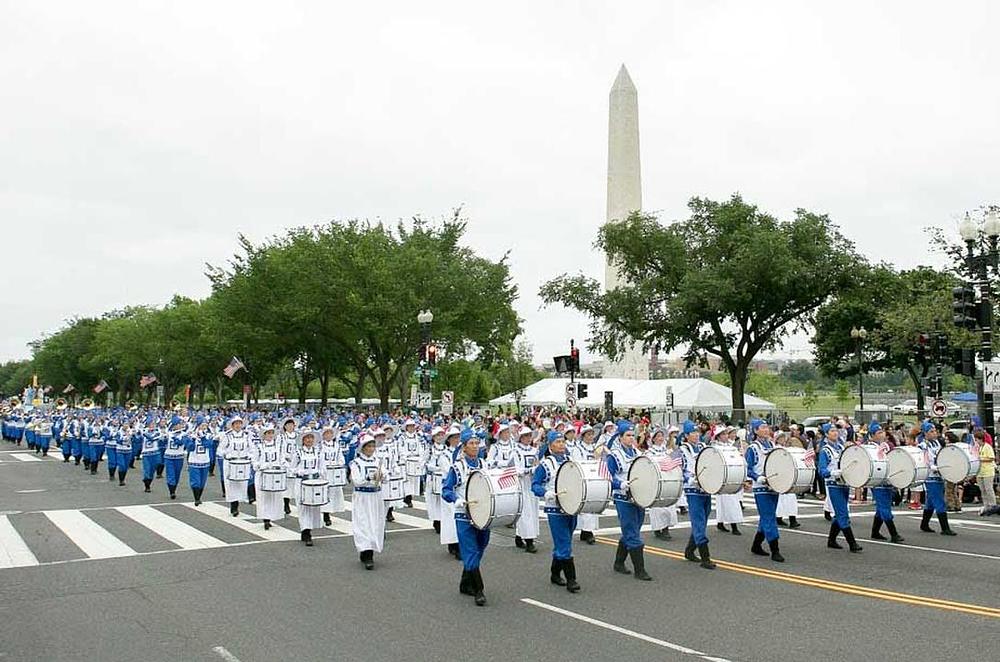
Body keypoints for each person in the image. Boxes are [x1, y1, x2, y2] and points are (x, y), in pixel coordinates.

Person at [442, 428, 490, 606]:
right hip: (464, 514)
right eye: (471, 443)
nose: (475, 446)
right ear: (463, 447)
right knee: (470, 550)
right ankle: (479, 590)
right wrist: (457, 499)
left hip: (483, 514)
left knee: (480, 546)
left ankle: (465, 582)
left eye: (477, 443)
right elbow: (446, 490)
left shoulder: (485, 465)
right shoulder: (457, 467)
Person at [532, 430, 580, 593]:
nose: (561, 445)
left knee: (563, 542)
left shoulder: (570, 461)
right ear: (550, 446)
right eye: (558, 442)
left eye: (563, 442)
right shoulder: (546, 464)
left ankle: (554, 573)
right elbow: (535, 484)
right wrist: (546, 493)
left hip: (571, 507)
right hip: (555, 508)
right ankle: (571, 580)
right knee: (564, 544)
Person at [606, 421, 653, 580]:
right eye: (628, 435)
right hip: (623, 497)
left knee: (633, 530)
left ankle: (619, 563)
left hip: (638, 496)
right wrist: (620, 484)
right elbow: (606, 476)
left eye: (633, 435)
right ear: (620, 437)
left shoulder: (637, 452)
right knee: (632, 532)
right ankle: (640, 570)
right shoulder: (614, 455)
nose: (631, 438)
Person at [817, 424, 863, 552]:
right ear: (826, 434)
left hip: (844, 483)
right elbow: (821, 470)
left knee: (839, 514)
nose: (835, 433)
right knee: (843, 514)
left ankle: (831, 540)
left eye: (836, 430)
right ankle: (852, 543)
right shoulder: (825, 450)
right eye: (831, 431)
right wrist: (832, 473)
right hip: (834, 484)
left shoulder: (841, 447)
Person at [679, 419, 717, 569]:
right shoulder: (681, 450)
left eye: (697, 432)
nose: (696, 435)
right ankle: (705, 557)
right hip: (693, 489)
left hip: (705, 487)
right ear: (686, 435)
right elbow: (678, 470)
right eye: (692, 433)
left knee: (704, 517)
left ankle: (689, 550)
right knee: (699, 520)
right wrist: (690, 479)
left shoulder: (703, 446)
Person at [349, 433, 386, 569]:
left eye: (372, 446)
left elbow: (386, 476)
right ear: (363, 448)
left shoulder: (378, 461)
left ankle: (370, 549)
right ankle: (366, 553)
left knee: (375, 523)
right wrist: (371, 477)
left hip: (375, 496)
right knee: (363, 523)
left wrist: (382, 475)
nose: (371, 449)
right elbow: (357, 481)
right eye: (368, 446)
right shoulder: (356, 463)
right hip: (362, 497)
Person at [917, 421, 956, 536]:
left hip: (939, 474)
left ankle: (924, 524)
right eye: (931, 431)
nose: (935, 433)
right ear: (925, 433)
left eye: (935, 431)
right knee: (939, 501)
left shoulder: (937, 443)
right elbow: (925, 462)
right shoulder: (923, 446)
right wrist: (936, 468)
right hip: (930, 476)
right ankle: (945, 528)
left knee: (930, 502)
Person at [868, 423, 904, 543]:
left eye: (882, 432)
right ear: (872, 436)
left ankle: (875, 532)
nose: (882, 434)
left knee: (882, 508)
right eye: (878, 433)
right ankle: (894, 534)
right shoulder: (869, 448)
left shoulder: (887, 446)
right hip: (877, 482)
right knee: (885, 508)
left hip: (888, 480)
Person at [291, 430, 326, 546]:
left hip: (314, 481)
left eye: (311, 438)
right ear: (303, 440)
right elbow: (291, 468)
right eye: (307, 438)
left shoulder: (318, 452)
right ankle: (306, 532)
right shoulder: (297, 453)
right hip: (302, 482)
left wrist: (321, 474)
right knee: (303, 507)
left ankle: (308, 529)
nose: (309, 440)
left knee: (313, 506)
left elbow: (322, 466)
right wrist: (299, 472)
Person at [646, 427, 679, 540]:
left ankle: (666, 528)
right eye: (658, 436)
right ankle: (657, 528)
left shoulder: (668, 451)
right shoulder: (649, 452)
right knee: (657, 507)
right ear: (653, 439)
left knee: (668, 504)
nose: (660, 438)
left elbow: (676, 462)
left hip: (668, 480)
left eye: (661, 436)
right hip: (656, 482)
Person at [218, 415, 254, 516]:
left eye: (239, 423)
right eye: (236, 424)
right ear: (232, 425)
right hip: (230, 464)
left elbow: (253, 449)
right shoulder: (227, 436)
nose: (238, 425)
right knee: (231, 485)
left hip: (243, 463)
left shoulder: (246, 436)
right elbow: (220, 450)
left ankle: (238, 504)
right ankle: (234, 506)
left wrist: (250, 456)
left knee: (241, 485)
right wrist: (226, 455)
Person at [712, 425, 744, 536]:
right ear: (718, 437)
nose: (726, 436)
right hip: (722, 477)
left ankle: (727, 523)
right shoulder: (715, 448)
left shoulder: (732, 447)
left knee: (731, 500)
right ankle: (729, 524)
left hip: (732, 475)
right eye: (723, 434)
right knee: (723, 501)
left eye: (726, 433)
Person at [572, 424, 601, 544]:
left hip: (594, 479)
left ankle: (587, 530)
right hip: (584, 479)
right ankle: (587, 531)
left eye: (592, 434)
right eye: (588, 434)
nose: (591, 437)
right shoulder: (577, 449)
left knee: (593, 505)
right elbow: (577, 463)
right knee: (585, 505)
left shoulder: (595, 448)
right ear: (583, 436)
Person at [513, 427, 540, 553]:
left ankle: (520, 536)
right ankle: (529, 541)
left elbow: (537, 463)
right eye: (526, 436)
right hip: (522, 484)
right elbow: (516, 469)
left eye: (530, 436)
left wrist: (537, 470)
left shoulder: (535, 450)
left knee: (532, 511)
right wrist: (529, 470)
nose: (528, 438)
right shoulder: (516, 451)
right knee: (525, 511)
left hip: (532, 484)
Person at [438, 425, 463, 560]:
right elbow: (448, 470)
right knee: (450, 517)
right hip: (449, 486)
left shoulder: (462, 453)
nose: (456, 439)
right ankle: (453, 543)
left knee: (459, 515)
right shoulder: (444, 454)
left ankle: (458, 544)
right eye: (454, 437)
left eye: (458, 437)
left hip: (460, 487)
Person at [319, 426, 346, 526]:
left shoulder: (336, 446)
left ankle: (330, 511)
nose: (329, 435)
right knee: (325, 493)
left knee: (333, 493)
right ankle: (326, 514)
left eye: (330, 433)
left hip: (334, 472)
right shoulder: (320, 446)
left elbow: (341, 457)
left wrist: (338, 464)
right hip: (325, 472)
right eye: (326, 433)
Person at [185, 417, 212, 506]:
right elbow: (189, 448)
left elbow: (209, 445)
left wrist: (203, 437)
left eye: (205, 425)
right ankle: (196, 498)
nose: (204, 427)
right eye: (202, 425)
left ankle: (199, 496)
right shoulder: (191, 434)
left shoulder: (209, 434)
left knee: (202, 481)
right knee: (195, 481)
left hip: (205, 460)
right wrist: (192, 439)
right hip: (194, 460)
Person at [163, 416, 187, 500]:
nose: (181, 425)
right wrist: (164, 437)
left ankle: (174, 489)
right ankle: (172, 492)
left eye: (181, 424)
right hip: (168, 457)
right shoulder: (168, 433)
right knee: (170, 475)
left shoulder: (184, 434)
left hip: (179, 457)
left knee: (177, 475)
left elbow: (181, 443)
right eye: (179, 424)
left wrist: (174, 437)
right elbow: (161, 443)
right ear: (174, 425)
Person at [975, 430, 997, 516]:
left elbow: (991, 458)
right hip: (980, 472)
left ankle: (993, 506)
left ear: (980, 439)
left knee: (989, 489)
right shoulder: (978, 448)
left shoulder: (987, 447)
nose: (976, 441)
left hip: (988, 471)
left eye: (976, 439)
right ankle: (986, 506)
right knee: (982, 490)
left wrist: (981, 459)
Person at [139, 418, 162, 493]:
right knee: (147, 470)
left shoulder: (157, 431)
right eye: (151, 424)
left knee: (152, 470)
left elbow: (152, 438)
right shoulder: (143, 431)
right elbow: (137, 439)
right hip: (146, 454)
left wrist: (144, 433)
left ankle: (148, 481)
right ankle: (147, 485)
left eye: (154, 424)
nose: (153, 425)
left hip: (155, 453)